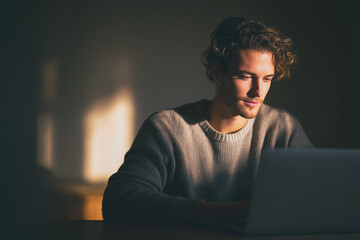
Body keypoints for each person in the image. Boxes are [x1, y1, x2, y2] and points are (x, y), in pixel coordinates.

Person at [102, 17, 313, 224]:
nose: (258, 91)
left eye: (267, 79)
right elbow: (118, 199)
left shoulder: (283, 129)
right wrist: (216, 212)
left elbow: (320, 194)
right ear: (216, 72)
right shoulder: (166, 128)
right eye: (246, 76)